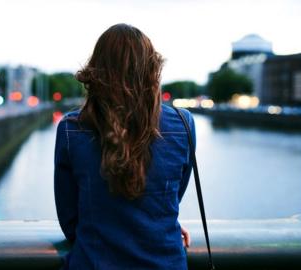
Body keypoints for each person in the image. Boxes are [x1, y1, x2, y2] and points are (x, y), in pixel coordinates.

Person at [54, 23, 195, 270]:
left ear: (96, 71)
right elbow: (171, 196)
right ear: (152, 69)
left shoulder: (71, 129)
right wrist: (159, 226)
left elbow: (69, 221)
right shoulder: (184, 124)